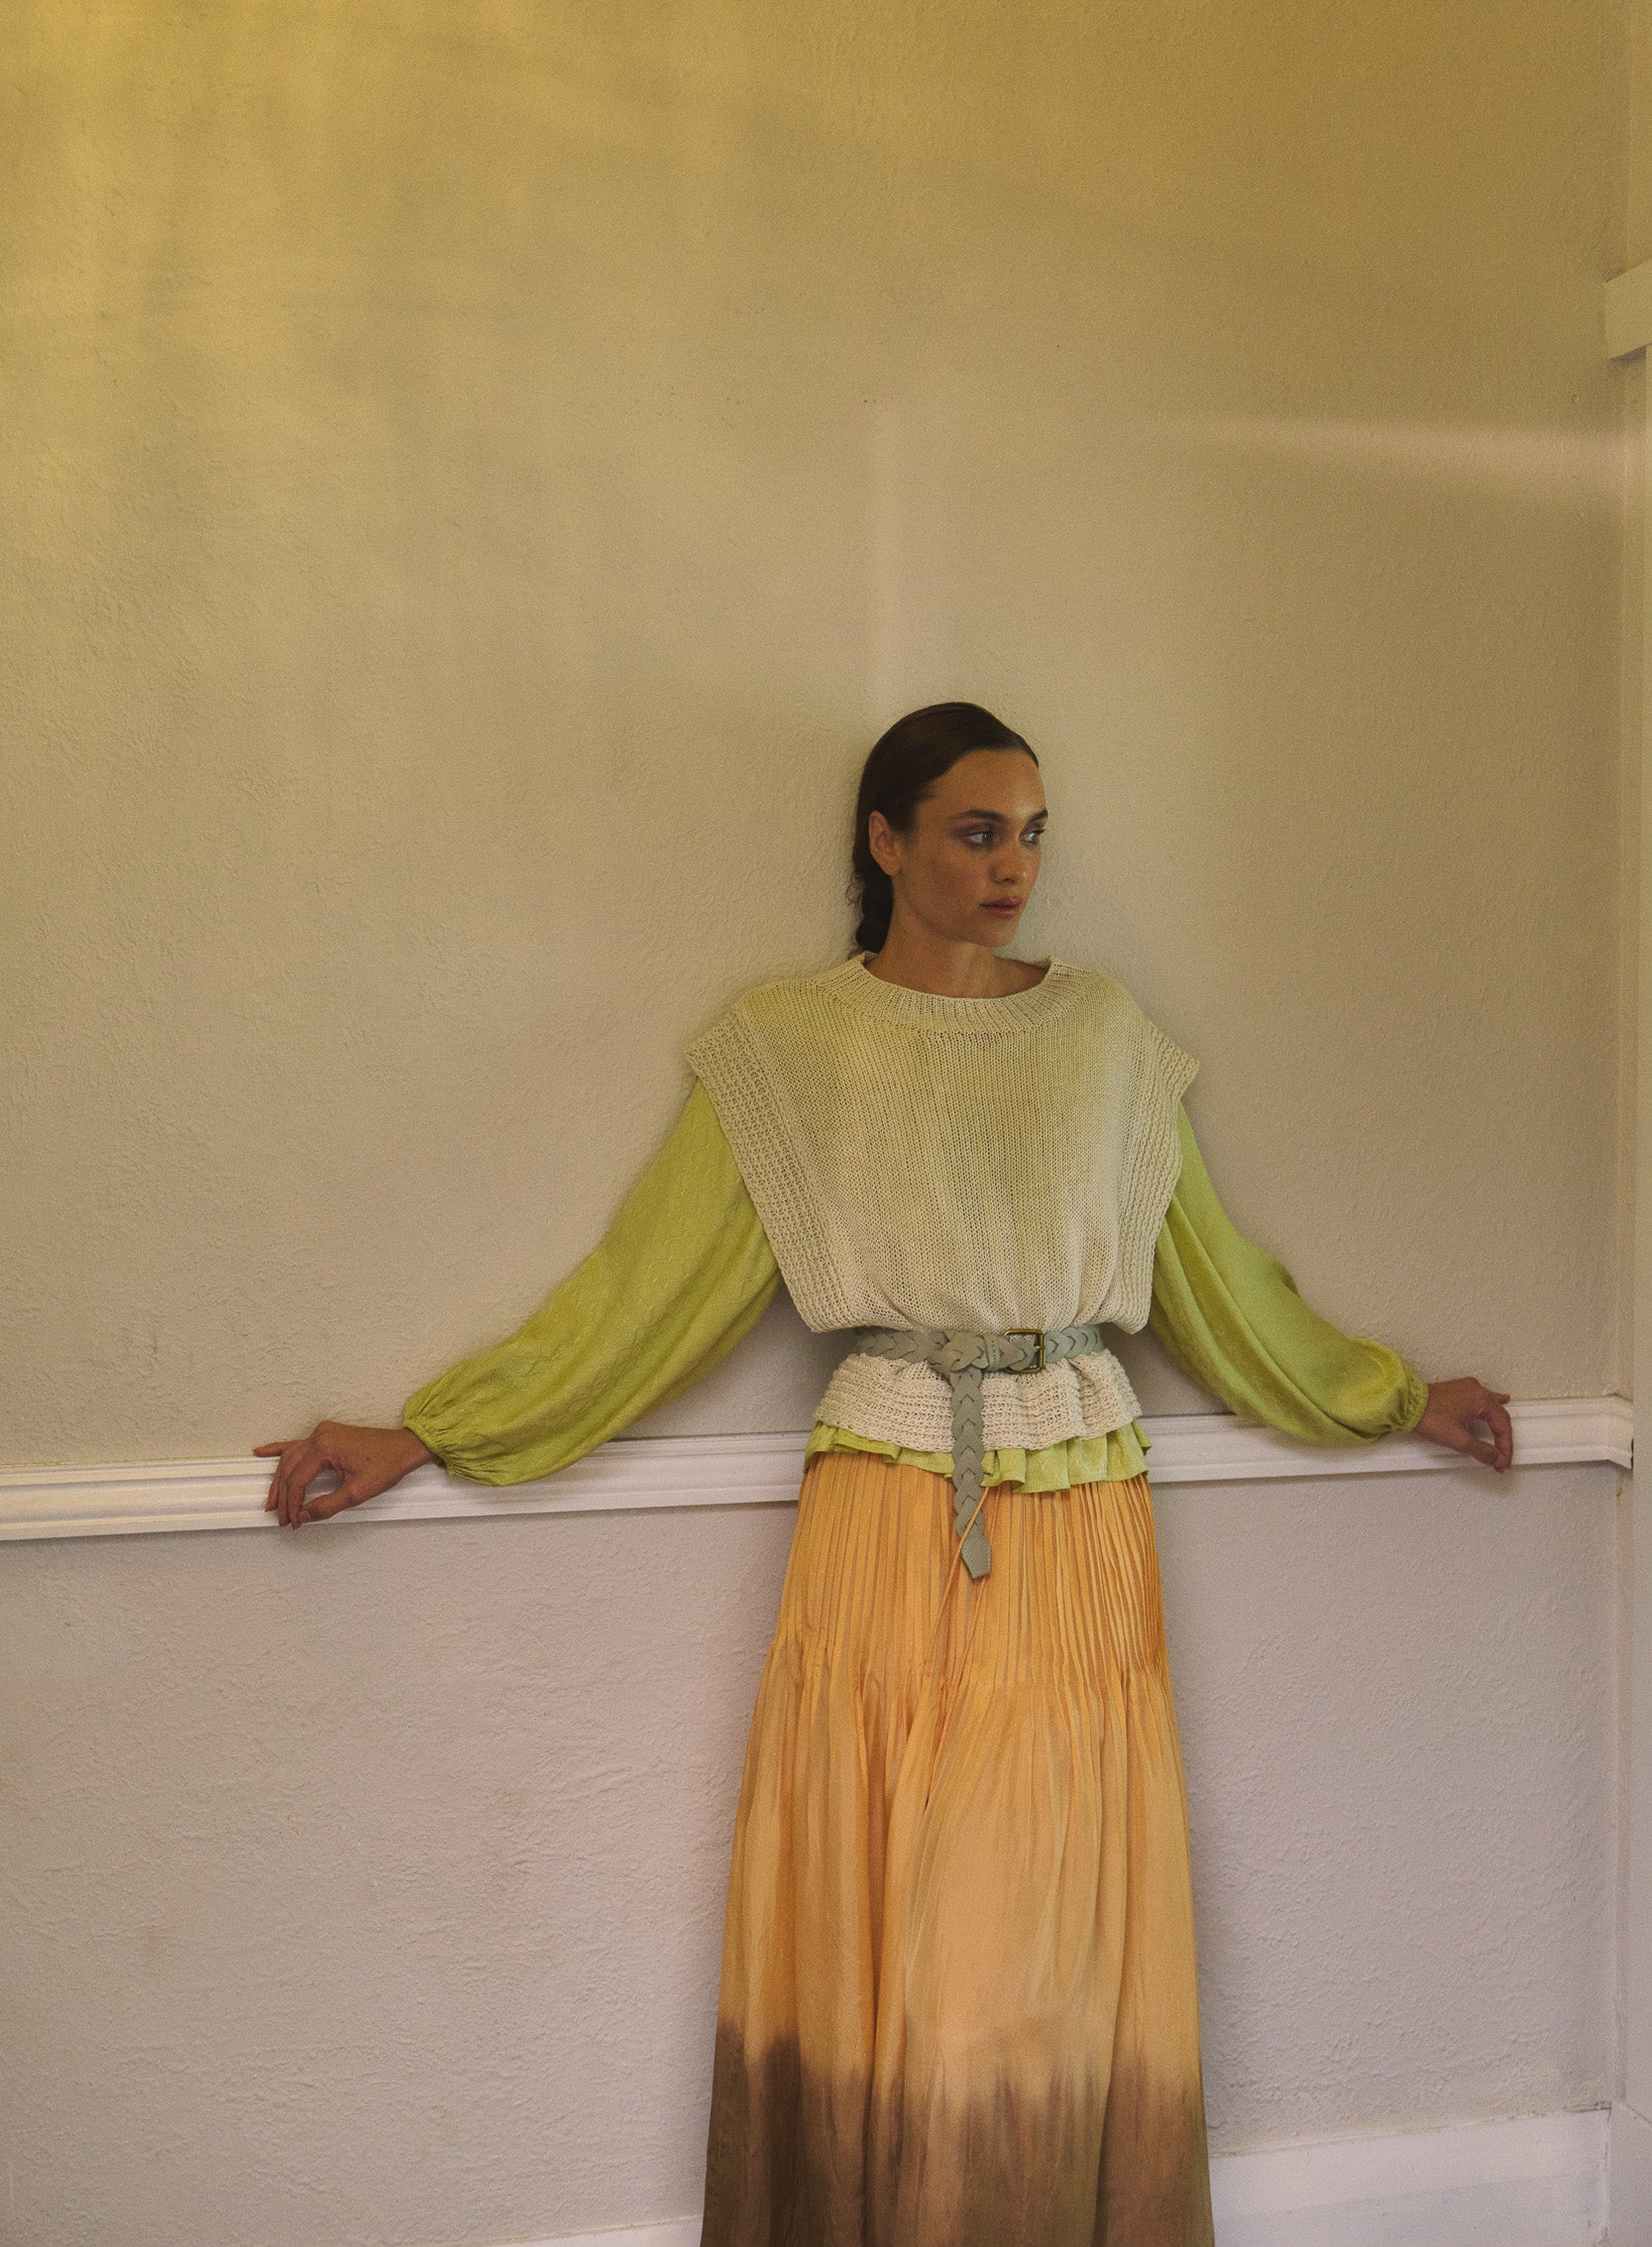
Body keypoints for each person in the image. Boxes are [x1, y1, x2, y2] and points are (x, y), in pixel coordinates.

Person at [258, 701, 1511, 2247]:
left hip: (1079, 1519)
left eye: (1032, 834)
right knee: (882, 1893)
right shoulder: (794, 1048)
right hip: (886, 1510)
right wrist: (438, 1431)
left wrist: (1393, 1399)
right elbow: (645, 1293)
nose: (1014, 867)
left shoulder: (1107, 1039)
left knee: (1044, 1920)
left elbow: (1222, 1287)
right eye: (978, 833)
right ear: (886, 841)